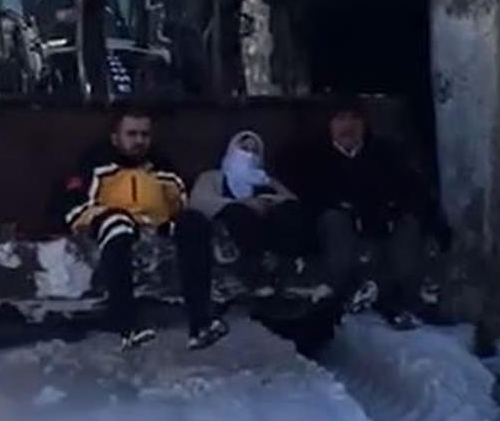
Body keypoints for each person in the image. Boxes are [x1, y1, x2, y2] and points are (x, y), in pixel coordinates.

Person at [61, 106, 229, 351]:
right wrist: (98, 217)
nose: (139, 141)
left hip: (156, 222)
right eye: (132, 134)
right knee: (117, 227)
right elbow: (73, 204)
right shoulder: (94, 163)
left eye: (144, 134)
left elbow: (178, 199)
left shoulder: (160, 164)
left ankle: (201, 322)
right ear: (115, 137)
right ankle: (127, 324)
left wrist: (169, 215)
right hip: (113, 221)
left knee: (194, 223)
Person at [296, 98, 436, 330]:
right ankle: (342, 293)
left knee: (407, 227)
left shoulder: (383, 152)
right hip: (336, 223)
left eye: (354, 119)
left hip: (381, 219)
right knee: (336, 223)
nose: (348, 126)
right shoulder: (313, 156)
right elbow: (309, 194)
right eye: (341, 119)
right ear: (330, 125)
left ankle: (403, 298)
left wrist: (395, 209)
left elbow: (412, 188)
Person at [190, 130, 308, 291]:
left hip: (268, 227)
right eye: (244, 149)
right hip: (233, 226)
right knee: (239, 212)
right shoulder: (212, 177)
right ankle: (255, 273)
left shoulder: (267, 181)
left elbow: (292, 200)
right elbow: (199, 201)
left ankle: (285, 269)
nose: (249, 155)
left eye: (254, 151)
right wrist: (244, 203)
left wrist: (268, 201)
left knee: (290, 212)